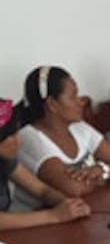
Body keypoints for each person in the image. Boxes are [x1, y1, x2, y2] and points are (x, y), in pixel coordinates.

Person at [13, 66, 110, 208]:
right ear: (52, 104)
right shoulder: (29, 138)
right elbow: (73, 189)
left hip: (87, 209)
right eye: (73, 97)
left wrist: (101, 171)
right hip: (39, 218)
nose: (80, 101)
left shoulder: (79, 128)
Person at [0, 98, 90, 230]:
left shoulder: (5, 160)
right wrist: (53, 216)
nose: (19, 141)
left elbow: (42, 190)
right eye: (11, 136)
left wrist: (68, 203)